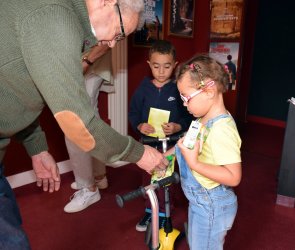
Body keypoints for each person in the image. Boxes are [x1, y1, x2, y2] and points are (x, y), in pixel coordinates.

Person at [0, 0, 169, 248]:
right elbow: (79, 124)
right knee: (12, 242)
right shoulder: (54, 17)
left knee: (10, 218)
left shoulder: (62, 17)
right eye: (119, 33)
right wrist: (139, 153)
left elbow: (21, 87)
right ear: (106, 2)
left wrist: (36, 146)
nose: (112, 43)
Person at [164, 54, 242, 249]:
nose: (183, 104)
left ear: (209, 90)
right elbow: (185, 145)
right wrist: (167, 156)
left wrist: (195, 164)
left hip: (212, 205)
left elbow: (234, 177)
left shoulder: (222, 129)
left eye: (186, 97)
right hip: (199, 201)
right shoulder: (200, 120)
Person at [128, 40, 193, 232]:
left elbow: (188, 117)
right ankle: (150, 210)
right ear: (149, 65)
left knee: (167, 181)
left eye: (167, 66)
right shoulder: (143, 88)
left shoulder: (178, 89)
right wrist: (139, 125)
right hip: (149, 145)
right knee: (148, 180)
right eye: (156, 66)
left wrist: (177, 126)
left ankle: (165, 213)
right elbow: (133, 113)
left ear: (175, 65)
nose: (161, 71)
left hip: (170, 146)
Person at [64, 44, 112, 213]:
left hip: (90, 61)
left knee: (74, 120)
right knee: (91, 119)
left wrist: (87, 60)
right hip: (87, 61)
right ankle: (98, 176)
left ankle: (89, 188)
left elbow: (107, 38)